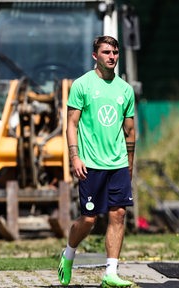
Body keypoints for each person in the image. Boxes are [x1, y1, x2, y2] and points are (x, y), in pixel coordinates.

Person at [57, 35, 136, 287]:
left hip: (118, 164)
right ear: (95, 56)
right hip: (90, 164)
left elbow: (130, 131)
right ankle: (68, 254)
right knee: (89, 220)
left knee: (119, 214)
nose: (112, 57)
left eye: (115, 52)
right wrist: (74, 156)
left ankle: (110, 273)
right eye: (106, 52)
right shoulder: (82, 85)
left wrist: (129, 163)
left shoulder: (126, 89)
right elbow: (71, 124)